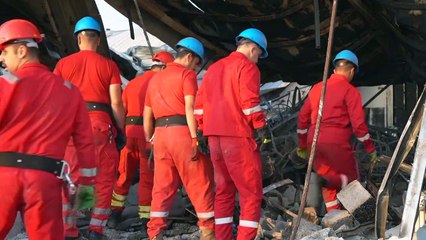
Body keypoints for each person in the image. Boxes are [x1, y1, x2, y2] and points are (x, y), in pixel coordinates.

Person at [0, 19, 96, 239]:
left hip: (3, 178)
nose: (1, 58)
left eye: (4, 52)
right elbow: (85, 145)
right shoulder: (70, 92)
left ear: (22, 51)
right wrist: (87, 194)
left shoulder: (5, 84)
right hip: (45, 183)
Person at [193, 28, 270, 240]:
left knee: (224, 192)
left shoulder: (214, 69)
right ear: (253, 48)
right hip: (237, 138)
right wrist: (262, 128)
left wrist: (201, 131)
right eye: (258, 56)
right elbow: (249, 103)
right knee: (251, 195)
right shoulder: (247, 67)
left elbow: (199, 106)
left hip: (214, 139)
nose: (257, 61)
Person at [54, 16, 124, 239]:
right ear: (99, 40)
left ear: (78, 39)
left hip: (72, 126)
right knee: (102, 179)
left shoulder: (63, 64)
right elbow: (116, 103)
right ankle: (96, 229)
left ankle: (69, 230)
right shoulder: (109, 65)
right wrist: (121, 130)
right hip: (101, 127)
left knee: (73, 179)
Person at [144, 37, 215, 240]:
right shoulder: (186, 75)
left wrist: (151, 140)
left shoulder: (155, 79)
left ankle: (155, 232)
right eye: (196, 63)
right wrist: (195, 138)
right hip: (181, 132)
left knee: (162, 186)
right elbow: (190, 108)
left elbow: (147, 115)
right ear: (190, 57)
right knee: (199, 180)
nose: (195, 68)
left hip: (160, 136)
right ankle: (208, 231)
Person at [296, 49, 377, 212]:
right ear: (352, 70)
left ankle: (334, 219)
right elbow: (359, 125)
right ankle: (361, 219)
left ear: (335, 70)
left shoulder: (317, 88)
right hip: (336, 143)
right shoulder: (350, 91)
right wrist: (370, 149)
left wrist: (303, 145)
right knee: (350, 180)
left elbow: (303, 118)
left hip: (315, 141)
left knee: (329, 180)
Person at [108, 51, 175, 231]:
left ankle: (114, 214)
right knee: (147, 176)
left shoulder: (133, 83)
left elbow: (121, 107)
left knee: (124, 173)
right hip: (148, 133)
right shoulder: (161, 82)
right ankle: (145, 218)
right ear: (163, 67)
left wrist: (124, 130)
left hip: (130, 132)